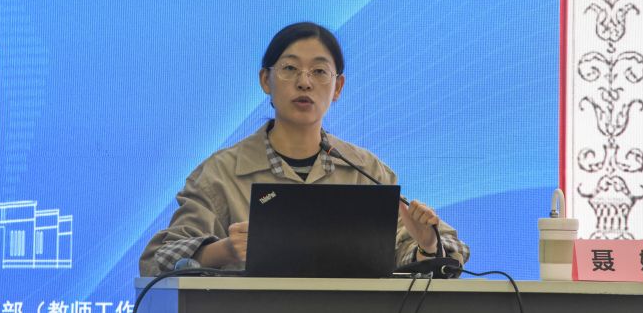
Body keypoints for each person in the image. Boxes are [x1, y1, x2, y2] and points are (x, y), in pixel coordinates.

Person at [139, 22, 470, 276]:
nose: (304, 82)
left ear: (337, 87)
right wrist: (223, 251)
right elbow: (157, 260)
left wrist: (427, 245)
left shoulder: (365, 171)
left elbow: (451, 252)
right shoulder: (221, 173)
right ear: (265, 80)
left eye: (319, 71)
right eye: (289, 68)